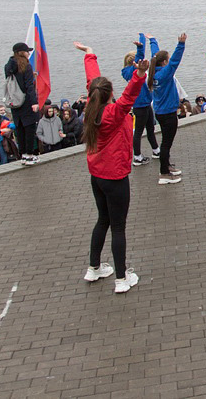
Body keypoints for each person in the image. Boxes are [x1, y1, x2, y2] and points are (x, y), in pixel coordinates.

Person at [74, 41, 148, 294]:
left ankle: (94, 268)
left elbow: (92, 80)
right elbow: (128, 98)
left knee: (103, 220)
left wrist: (90, 54)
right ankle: (121, 278)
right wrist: (139, 74)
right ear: (108, 94)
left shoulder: (91, 106)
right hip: (115, 177)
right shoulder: (113, 113)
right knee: (118, 227)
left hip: (97, 176)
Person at [148, 34, 187, 184]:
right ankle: (164, 174)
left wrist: (153, 40)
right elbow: (175, 61)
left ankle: (167, 166)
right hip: (168, 113)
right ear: (164, 62)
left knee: (166, 141)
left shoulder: (155, 71)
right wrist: (181, 44)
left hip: (160, 112)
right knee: (166, 143)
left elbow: (155, 55)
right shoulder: (165, 73)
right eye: (167, 59)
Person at [123, 33, 160, 167]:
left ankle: (156, 150)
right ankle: (137, 157)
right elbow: (139, 59)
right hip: (139, 105)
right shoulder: (128, 72)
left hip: (145, 103)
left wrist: (142, 38)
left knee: (150, 128)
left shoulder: (134, 71)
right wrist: (140, 47)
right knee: (138, 132)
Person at [5, 42, 41, 166]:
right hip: (26, 102)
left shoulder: (8, 66)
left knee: (19, 129)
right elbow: (28, 87)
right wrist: (34, 103)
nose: (28, 53)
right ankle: (30, 155)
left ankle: (24, 155)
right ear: (22, 52)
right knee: (29, 129)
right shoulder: (26, 65)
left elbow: (15, 81)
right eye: (27, 51)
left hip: (14, 102)